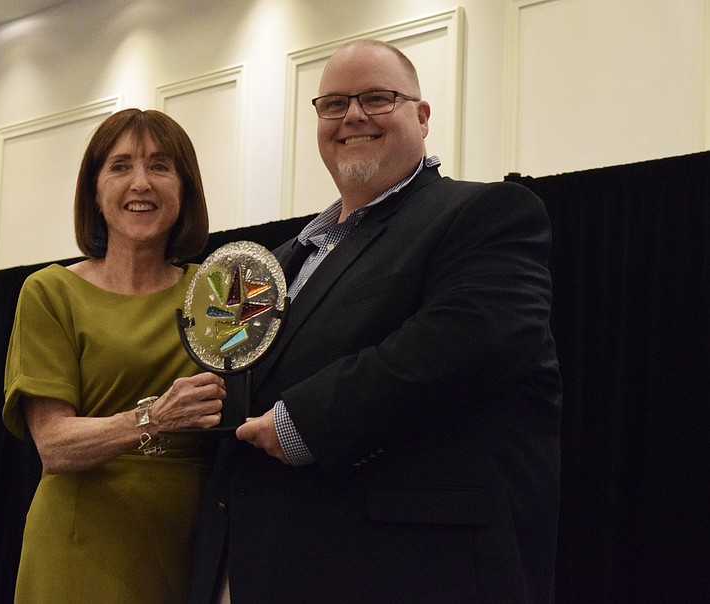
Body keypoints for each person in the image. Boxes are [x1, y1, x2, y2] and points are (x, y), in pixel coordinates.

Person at [191, 39, 562, 603]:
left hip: (413, 571)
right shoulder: (282, 258)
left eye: (377, 97)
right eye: (334, 103)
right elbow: (246, 387)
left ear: (422, 114)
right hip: (263, 566)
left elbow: (465, 341)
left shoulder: (487, 213)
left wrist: (302, 423)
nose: (354, 116)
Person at [2, 108, 225, 603]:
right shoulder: (50, 291)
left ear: (185, 189)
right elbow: (55, 445)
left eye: (160, 166)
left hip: (192, 546)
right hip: (79, 545)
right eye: (121, 166)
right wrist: (156, 417)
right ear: (94, 192)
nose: (141, 183)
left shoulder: (217, 292)